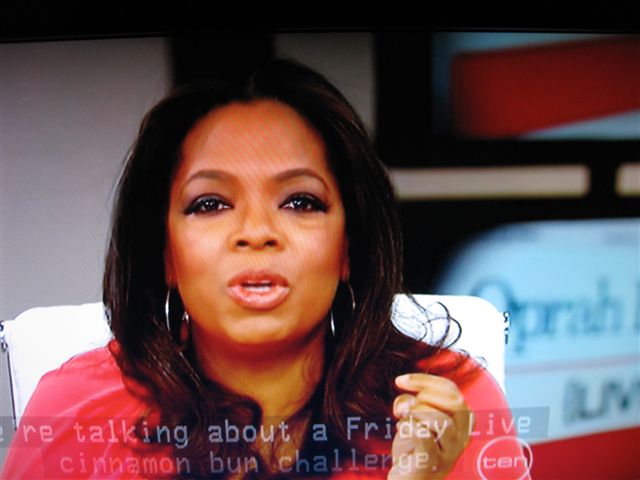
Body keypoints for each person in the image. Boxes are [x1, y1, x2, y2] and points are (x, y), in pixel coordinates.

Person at [2, 59, 529, 479]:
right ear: (164, 253)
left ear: (349, 248)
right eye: (209, 203)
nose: (256, 231)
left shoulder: (450, 407)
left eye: (300, 202)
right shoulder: (72, 413)